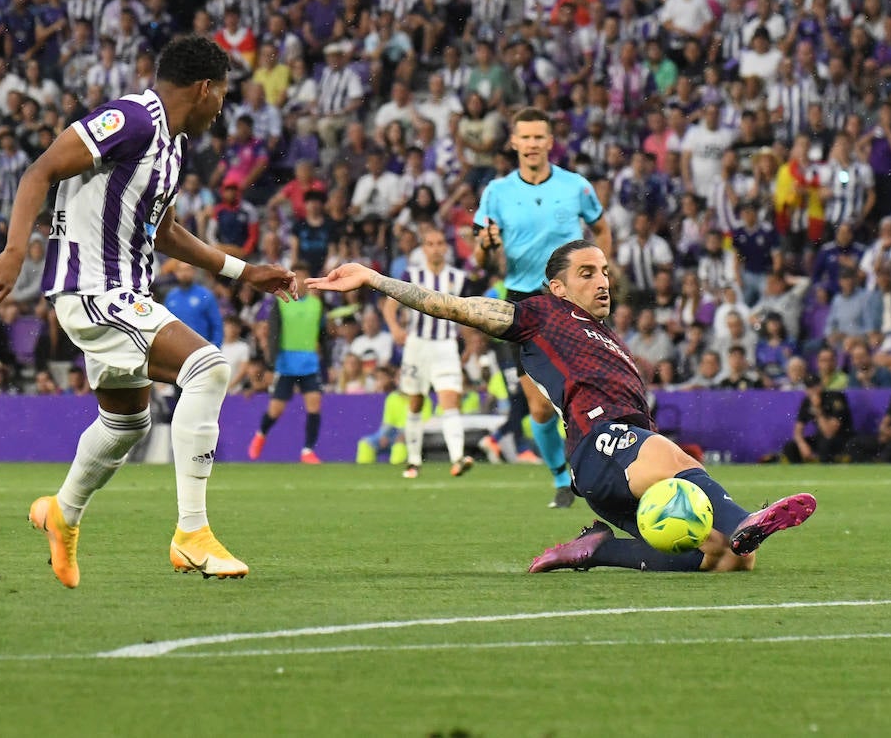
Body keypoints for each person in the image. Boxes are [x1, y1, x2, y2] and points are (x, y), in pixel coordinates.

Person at [0, 35, 297, 588]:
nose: (222, 108)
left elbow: (167, 232)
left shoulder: (171, 146)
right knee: (210, 367)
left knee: (126, 422)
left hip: (124, 293)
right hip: (93, 289)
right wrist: (12, 251)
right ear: (204, 89)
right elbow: (40, 171)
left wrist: (246, 272)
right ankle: (191, 533)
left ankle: (62, 512)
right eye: (221, 95)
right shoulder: (132, 119)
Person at [306, 241, 816, 573]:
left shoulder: (607, 337)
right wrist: (374, 279)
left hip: (608, 469)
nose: (603, 281)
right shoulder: (541, 314)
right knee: (674, 458)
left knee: (726, 560)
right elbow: (457, 307)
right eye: (588, 272)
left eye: (606, 272)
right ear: (557, 287)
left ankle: (598, 550)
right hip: (605, 443)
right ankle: (747, 516)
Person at [473, 107, 612, 508]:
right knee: (538, 406)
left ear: (550, 142)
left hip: (571, 298)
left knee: (592, 391)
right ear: (513, 143)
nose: (532, 145)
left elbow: (600, 227)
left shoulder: (576, 187)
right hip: (523, 302)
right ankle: (560, 478)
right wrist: (485, 246)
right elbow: (483, 257)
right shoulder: (496, 192)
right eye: (525, 138)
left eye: (539, 138)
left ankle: (607, 470)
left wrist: (602, 272)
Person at [381, 227, 474, 479]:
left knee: (450, 400)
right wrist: (394, 328)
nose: (435, 248)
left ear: (446, 247)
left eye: (440, 243)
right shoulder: (412, 275)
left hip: (446, 345)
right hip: (418, 345)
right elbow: (389, 305)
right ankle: (413, 461)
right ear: (423, 249)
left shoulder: (458, 278)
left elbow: (470, 313)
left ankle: (457, 458)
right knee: (415, 402)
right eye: (430, 244)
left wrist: (471, 343)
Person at [247, 263, 325, 464]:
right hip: (286, 363)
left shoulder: (316, 304)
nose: (299, 281)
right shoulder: (281, 303)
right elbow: (273, 333)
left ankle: (308, 450)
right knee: (276, 409)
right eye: (296, 277)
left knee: (314, 405)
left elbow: (323, 336)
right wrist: (271, 365)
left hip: (309, 363)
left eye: (303, 277)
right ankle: (261, 434)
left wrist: (328, 362)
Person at [781, 374, 858, 463]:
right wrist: (802, 444)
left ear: (821, 385)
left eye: (815, 386)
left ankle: (827, 473)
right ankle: (800, 474)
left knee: (825, 444)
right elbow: (798, 431)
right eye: (809, 387)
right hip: (821, 438)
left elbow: (829, 433)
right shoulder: (807, 401)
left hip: (842, 438)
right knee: (791, 447)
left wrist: (818, 409)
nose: (813, 390)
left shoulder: (835, 398)